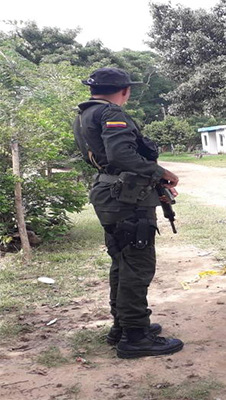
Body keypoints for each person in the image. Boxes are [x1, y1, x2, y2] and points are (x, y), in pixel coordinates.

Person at [72, 67, 184, 359]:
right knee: (137, 264)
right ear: (125, 91)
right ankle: (135, 336)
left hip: (111, 193)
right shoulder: (111, 113)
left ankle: (122, 326)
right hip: (126, 198)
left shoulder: (84, 114)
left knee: (123, 262)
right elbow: (122, 155)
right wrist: (160, 172)